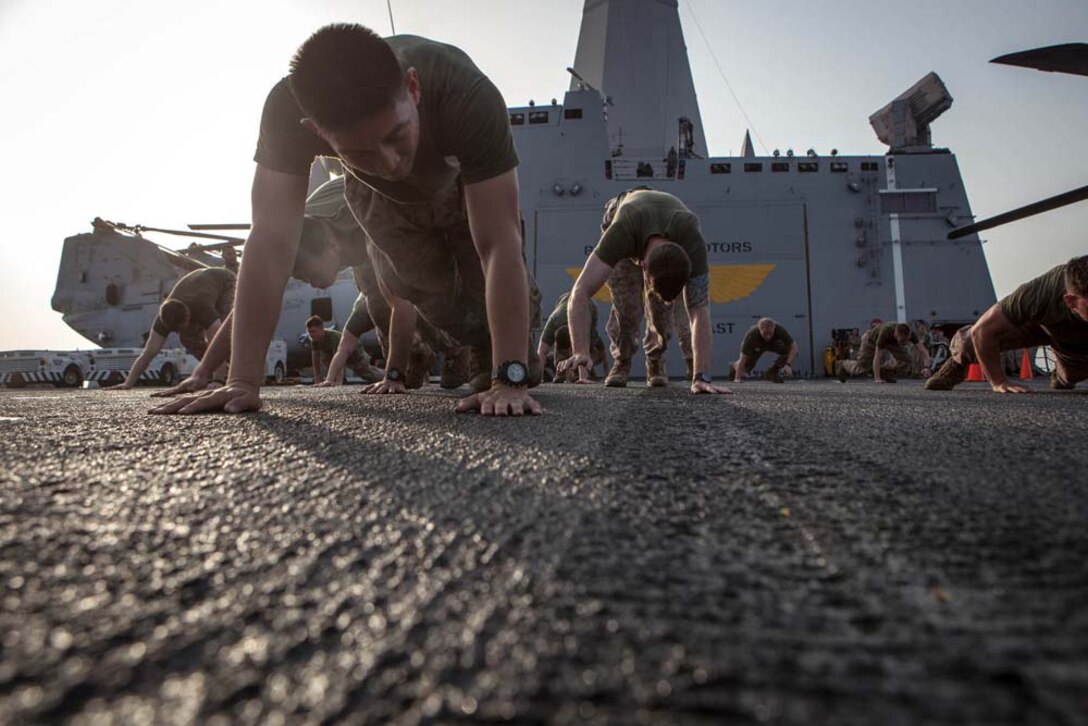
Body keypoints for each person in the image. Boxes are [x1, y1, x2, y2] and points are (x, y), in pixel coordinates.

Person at [152, 24, 542, 417]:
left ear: (413, 87)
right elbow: (270, 241)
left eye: (396, 135)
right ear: (316, 131)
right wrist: (241, 381)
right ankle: (481, 344)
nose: (389, 162)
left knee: (487, 285)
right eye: (362, 151)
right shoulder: (289, 112)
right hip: (379, 198)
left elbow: (499, 244)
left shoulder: (466, 95)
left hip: (460, 182)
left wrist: (509, 380)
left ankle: (511, 351)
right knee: (424, 291)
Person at [558, 188, 731, 395]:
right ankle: (622, 360)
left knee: (661, 313)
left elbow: (699, 309)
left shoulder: (691, 240)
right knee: (627, 308)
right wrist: (580, 350)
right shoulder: (621, 231)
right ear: (644, 268)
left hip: (660, 221)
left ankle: (655, 358)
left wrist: (701, 376)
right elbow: (581, 291)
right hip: (623, 213)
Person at [926, 255, 1088, 393]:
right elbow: (984, 330)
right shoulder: (1040, 293)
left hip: (1074, 337)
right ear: (1070, 301)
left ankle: (1061, 374)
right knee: (971, 340)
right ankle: (957, 361)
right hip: (1037, 325)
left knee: (1071, 376)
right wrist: (998, 381)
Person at [108, 267, 235, 390]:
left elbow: (218, 340)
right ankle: (213, 371)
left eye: (182, 326)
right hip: (200, 286)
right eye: (176, 330)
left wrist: (218, 381)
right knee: (187, 339)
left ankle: (226, 375)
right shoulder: (163, 319)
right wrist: (128, 383)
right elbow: (148, 353)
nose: (180, 331)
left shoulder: (201, 306)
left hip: (225, 283)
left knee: (227, 329)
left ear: (188, 315)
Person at [536, 292, 606, 383]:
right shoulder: (556, 318)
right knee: (576, 346)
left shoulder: (557, 318)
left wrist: (538, 378)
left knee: (584, 344)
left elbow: (542, 351)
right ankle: (563, 373)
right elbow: (541, 351)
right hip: (570, 310)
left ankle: (579, 373)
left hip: (588, 305)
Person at [835, 322, 931, 383]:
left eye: (906, 341)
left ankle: (884, 370)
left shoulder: (909, 334)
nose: (904, 343)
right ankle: (843, 364)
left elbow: (924, 352)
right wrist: (877, 378)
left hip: (892, 342)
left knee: (907, 359)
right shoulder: (885, 333)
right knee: (862, 367)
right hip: (870, 340)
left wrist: (926, 367)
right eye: (902, 341)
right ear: (895, 334)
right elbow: (877, 356)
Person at [305, 315, 382, 385]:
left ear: (321, 329)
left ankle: (388, 375)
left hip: (354, 352)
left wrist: (339, 382)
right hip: (340, 355)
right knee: (325, 357)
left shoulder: (334, 338)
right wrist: (317, 377)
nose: (311, 335)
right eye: (309, 332)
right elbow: (315, 358)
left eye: (313, 331)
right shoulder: (315, 340)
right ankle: (336, 379)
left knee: (368, 375)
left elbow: (340, 359)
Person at [728, 317, 798, 383]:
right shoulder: (751, 335)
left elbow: (794, 346)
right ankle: (734, 366)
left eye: (770, 333)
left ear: (774, 328)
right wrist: (737, 378)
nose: (768, 336)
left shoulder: (780, 330)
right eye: (765, 334)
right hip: (757, 346)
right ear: (759, 330)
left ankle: (771, 373)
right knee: (746, 367)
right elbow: (743, 358)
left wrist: (788, 365)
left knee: (792, 352)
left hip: (773, 344)